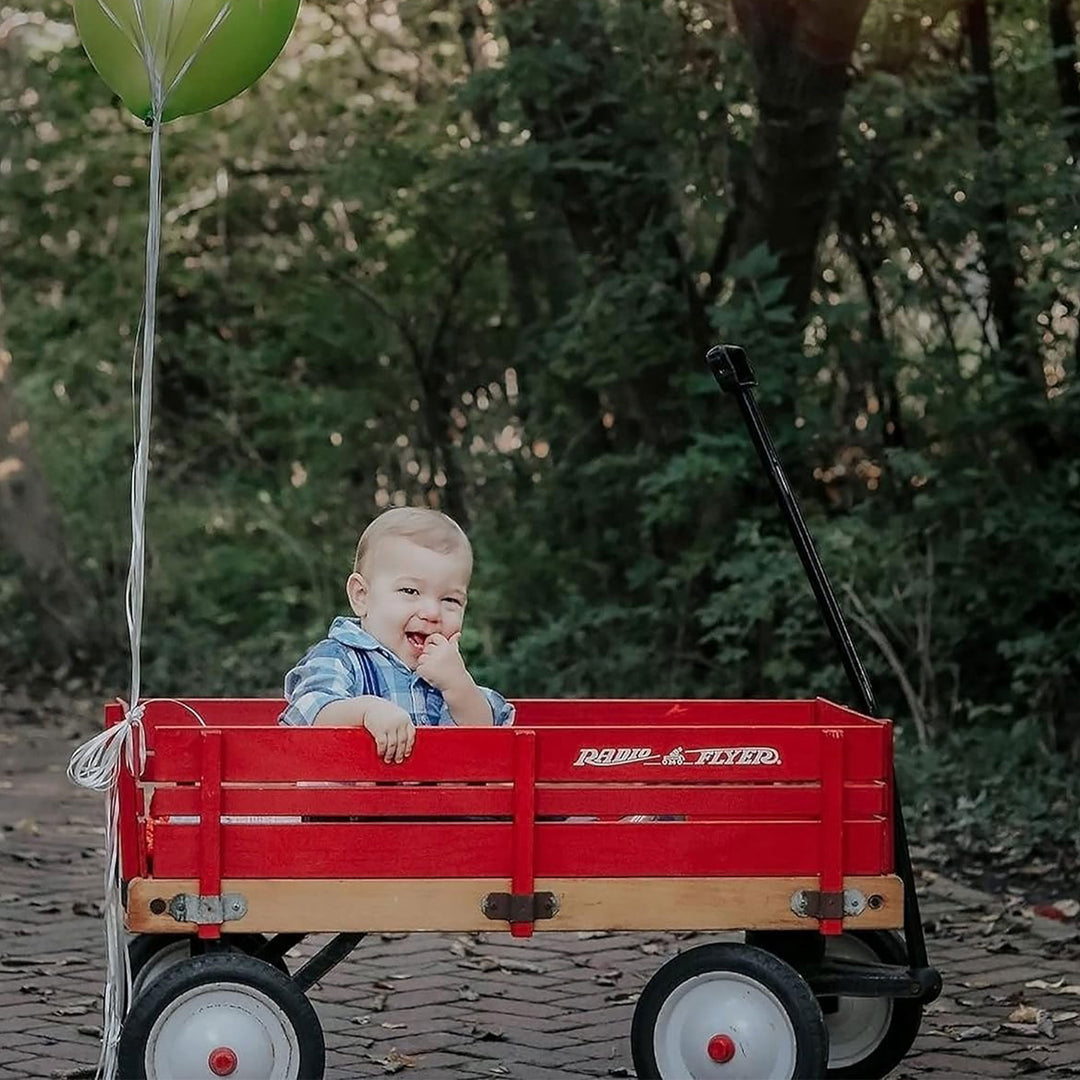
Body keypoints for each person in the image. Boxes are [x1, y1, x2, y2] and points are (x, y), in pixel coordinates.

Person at [280, 507, 514, 762]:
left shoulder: (446, 675)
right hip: (346, 801)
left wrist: (459, 686)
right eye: (411, 591)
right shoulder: (340, 657)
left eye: (450, 600)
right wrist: (366, 711)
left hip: (433, 802)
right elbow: (307, 713)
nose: (432, 612)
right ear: (362, 596)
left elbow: (489, 743)